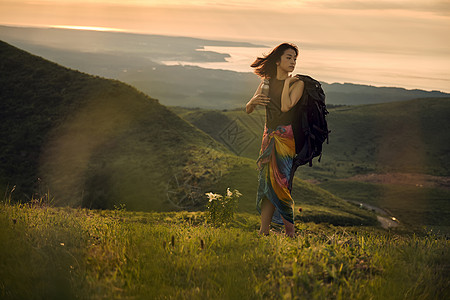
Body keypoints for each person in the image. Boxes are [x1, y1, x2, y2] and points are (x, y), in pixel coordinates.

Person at [245, 43, 304, 237]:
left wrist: (287, 82)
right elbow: (249, 108)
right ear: (277, 60)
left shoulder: (298, 84)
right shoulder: (266, 83)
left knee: (281, 184)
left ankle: (290, 233)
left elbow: (286, 107)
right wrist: (252, 102)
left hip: (285, 138)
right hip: (268, 136)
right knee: (266, 184)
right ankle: (264, 231)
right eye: (289, 57)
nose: (293, 62)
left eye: (295, 58)